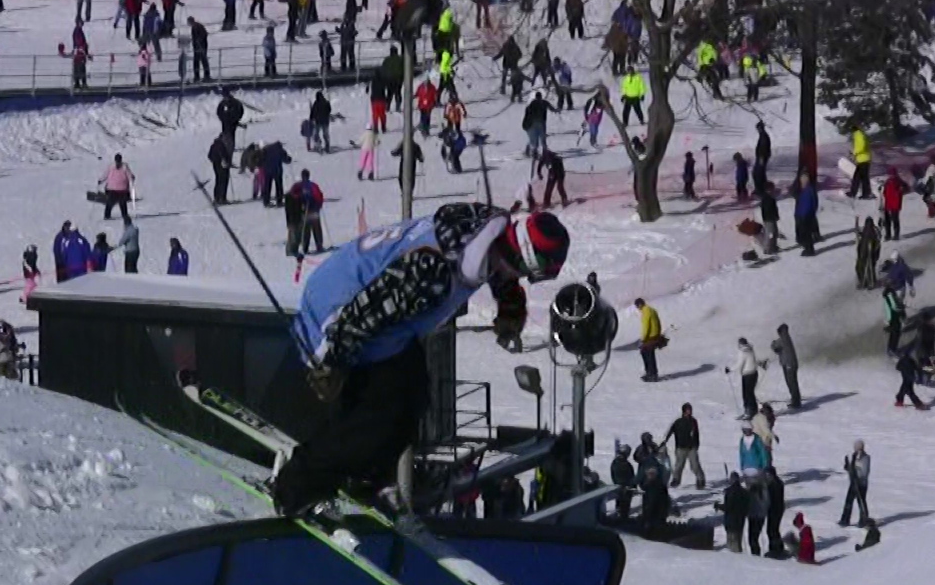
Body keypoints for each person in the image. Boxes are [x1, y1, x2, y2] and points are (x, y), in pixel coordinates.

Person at [272, 204, 571, 516]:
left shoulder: (484, 230)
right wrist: (332, 361)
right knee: (375, 420)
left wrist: (510, 306)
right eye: (529, 271)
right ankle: (295, 487)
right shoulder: (434, 270)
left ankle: (368, 476)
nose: (524, 278)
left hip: (379, 320)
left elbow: (501, 263)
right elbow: (369, 309)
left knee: (414, 400)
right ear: (523, 255)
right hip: (339, 310)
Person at [664, 403, 704, 488]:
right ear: (684, 411)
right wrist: (665, 441)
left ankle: (700, 480)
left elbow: (696, 434)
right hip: (680, 447)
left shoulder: (693, 421)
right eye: (687, 410)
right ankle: (676, 480)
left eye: (690, 410)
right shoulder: (678, 422)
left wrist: (696, 444)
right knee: (679, 465)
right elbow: (671, 431)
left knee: (695, 465)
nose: (689, 412)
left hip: (691, 447)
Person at [839, 440, 872, 527]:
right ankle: (845, 519)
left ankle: (863, 519)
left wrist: (855, 471)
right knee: (848, 501)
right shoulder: (853, 456)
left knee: (861, 501)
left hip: (861, 484)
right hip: (853, 482)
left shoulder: (865, 458)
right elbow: (849, 467)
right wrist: (848, 466)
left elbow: (864, 472)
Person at [772, 323, 802, 409]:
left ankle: (796, 402)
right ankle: (795, 400)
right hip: (790, 363)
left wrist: (773, 343)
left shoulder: (783, 340)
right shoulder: (787, 338)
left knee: (791, 383)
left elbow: (774, 346)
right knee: (793, 383)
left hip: (789, 364)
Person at [732, 337, 763, 418]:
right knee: (750, 393)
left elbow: (740, 364)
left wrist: (730, 369)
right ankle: (753, 410)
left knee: (746, 394)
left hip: (747, 375)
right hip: (754, 373)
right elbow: (754, 360)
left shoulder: (742, 352)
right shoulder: (750, 349)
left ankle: (748, 411)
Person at [635, 297, 664, 381]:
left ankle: (651, 374)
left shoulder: (645, 311)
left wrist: (643, 339)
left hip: (650, 337)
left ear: (640, 304)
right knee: (648, 354)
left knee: (647, 355)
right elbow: (658, 322)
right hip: (655, 335)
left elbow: (646, 326)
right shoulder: (652, 310)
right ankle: (651, 373)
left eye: (637, 306)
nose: (638, 308)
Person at [101, 153, 135, 223]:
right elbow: (106, 174)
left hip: (122, 189)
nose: (118, 162)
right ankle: (107, 216)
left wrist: (131, 177)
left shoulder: (125, 167)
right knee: (109, 203)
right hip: (112, 188)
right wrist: (101, 180)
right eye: (117, 161)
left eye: (119, 161)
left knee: (123, 203)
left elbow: (129, 174)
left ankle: (125, 216)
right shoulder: (111, 166)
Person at [762, 467, 787, 560]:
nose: (766, 476)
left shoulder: (774, 484)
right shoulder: (777, 482)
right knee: (774, 529)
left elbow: (771, 498)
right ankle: (779, 548)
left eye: (767, 474)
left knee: (771, 530)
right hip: (777, 508)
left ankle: (775, 549)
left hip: (775, 509)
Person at [720, 472, 748, 553]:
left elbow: (728, 507)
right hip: (740, 521)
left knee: (732, 544)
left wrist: (719, 506)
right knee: (738, 542)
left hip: (731, 522)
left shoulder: (729, 492)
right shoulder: (744, 492)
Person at [608, 443, 636, 520]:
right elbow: (630, 476)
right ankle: (622, 518)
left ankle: (621, 516)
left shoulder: (616, 462)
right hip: (624, 487)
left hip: (621, 487)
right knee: (623, 505)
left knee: (621, 504)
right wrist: (630, 486)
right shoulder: (624, 464)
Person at [879, 167, 906, 240]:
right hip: (888, 203)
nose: (891, 175)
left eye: (892, 174)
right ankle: (888, 235)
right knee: (887, 220)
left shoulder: (899, 181)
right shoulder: (887, 182)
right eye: (890, 174)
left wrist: (900, 190)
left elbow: (905, 189)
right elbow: (884, 192)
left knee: (895, 220)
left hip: (895, 204)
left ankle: (896, 235)